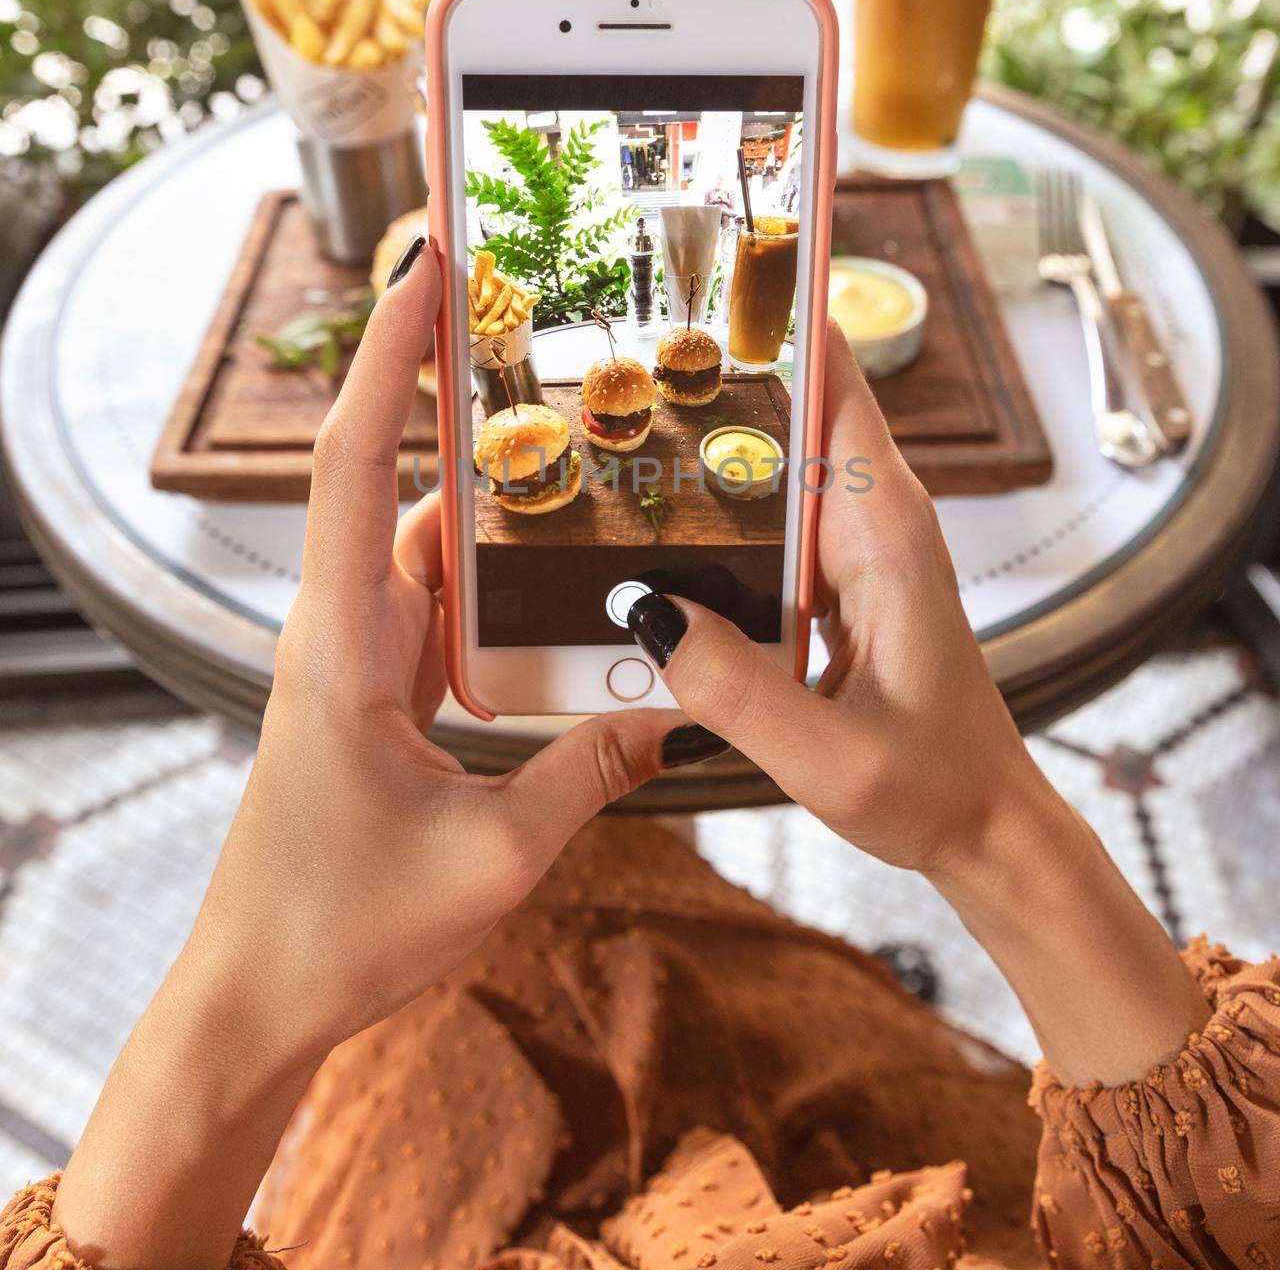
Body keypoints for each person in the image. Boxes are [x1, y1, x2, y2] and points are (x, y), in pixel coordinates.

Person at [4, 236, 1277, 1270]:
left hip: (451, 1189)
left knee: (517, 910)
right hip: (919, 1159)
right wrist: (984, 829)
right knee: (560, 886)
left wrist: (254, 986)